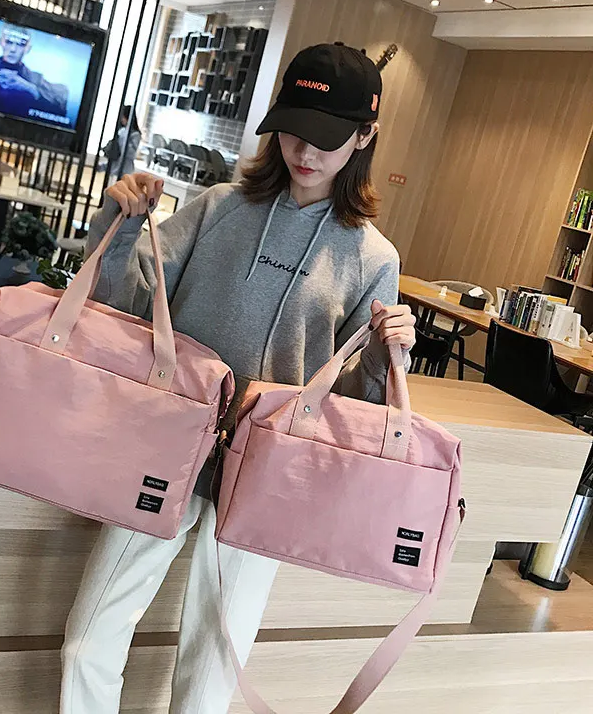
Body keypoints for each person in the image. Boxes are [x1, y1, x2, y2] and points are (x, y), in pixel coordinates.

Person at [60, 42, 416, 713]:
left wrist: (384, 354)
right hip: (167, 445)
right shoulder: (220, 207)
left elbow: (354, 408)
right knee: (86, 643)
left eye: (326, 137)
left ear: (365, 137)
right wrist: (119, 222)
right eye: (293, 130)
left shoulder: (373, 259)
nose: (303, 151)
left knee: (210, 677)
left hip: (270, 474)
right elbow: (127, 308)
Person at [99, 105, 142, 179]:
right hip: (114, 172)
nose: (122, 119)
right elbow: (116, 155)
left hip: (125, 173)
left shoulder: (135, 134)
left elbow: (130, 153)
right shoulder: (121, 131)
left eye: (123, 116)